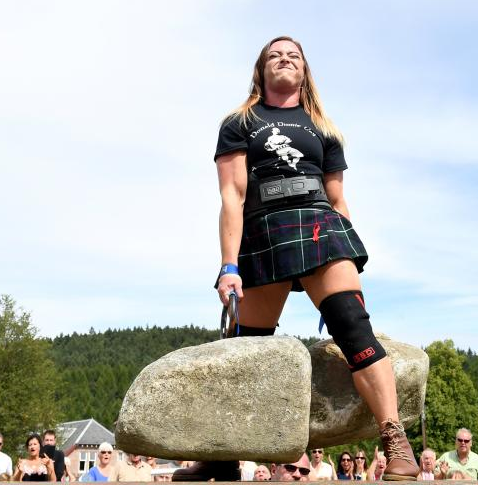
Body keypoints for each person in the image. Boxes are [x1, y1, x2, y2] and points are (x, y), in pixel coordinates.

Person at [174, 34, 419, 483]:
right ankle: (224, 455)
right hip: (264, 227)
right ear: (261, 69)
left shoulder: (324, 128)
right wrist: (229, 266)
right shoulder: (240, 121)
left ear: (304, 71)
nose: (285, 60)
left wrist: (348, 256)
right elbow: (231, 194)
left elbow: (338, 198)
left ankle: (395, 441)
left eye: (294, 56)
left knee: (352, 324)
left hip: (319, 225)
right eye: (275, 55)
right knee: (242, 349)